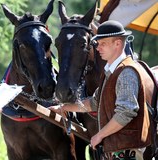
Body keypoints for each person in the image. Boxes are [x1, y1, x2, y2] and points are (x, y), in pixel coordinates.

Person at [50, 20, 151, 160]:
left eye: (103, 44)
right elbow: (94, 103)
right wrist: (64, 107)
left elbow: (126, 112)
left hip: (128, 151)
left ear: (117, 44)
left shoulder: (127, 72)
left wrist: (99, 135)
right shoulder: (110, 72)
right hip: (117, 149)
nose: (98, 48)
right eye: (98, 44)